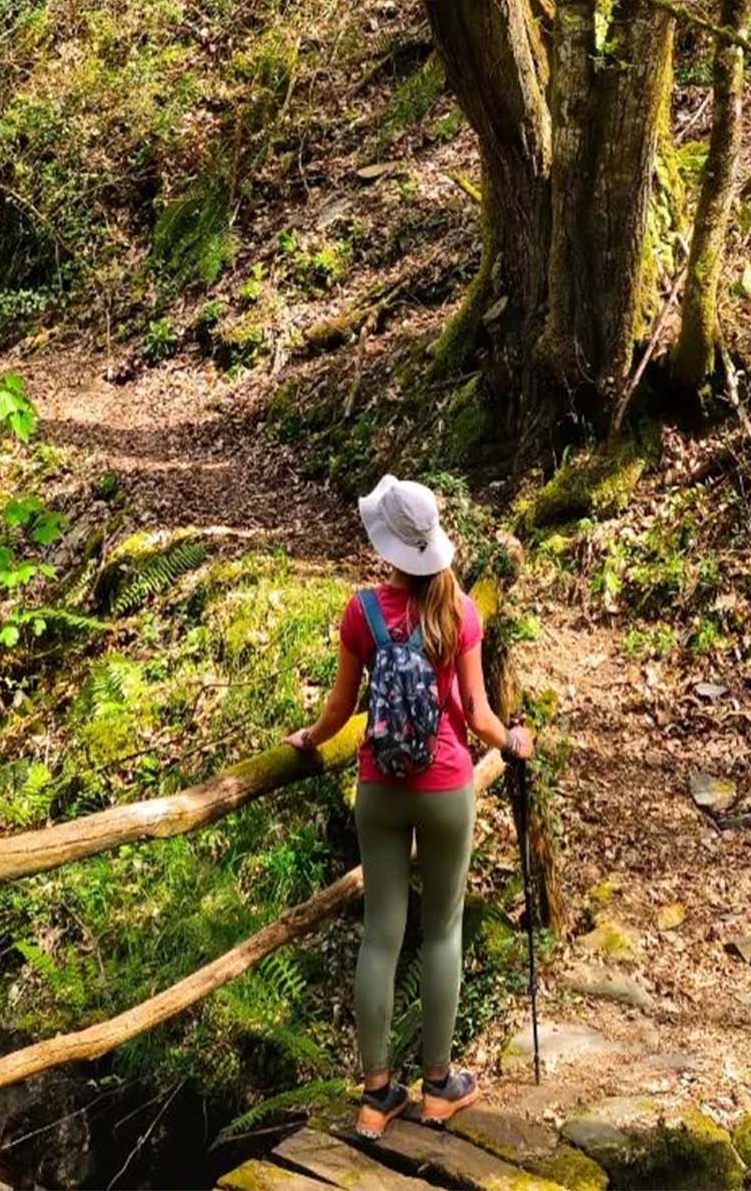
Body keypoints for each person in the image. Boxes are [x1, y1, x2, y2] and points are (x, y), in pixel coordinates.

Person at [286, 475, 534, 1139]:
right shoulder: (461, 614)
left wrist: (307, 741)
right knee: (442, 931)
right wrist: (510, 739)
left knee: (381, 934)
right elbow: (479, 713)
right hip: (447, 785)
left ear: (389, 546)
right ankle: (437, 1085)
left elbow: (340, 710)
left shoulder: (361, 611)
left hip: (380, 789)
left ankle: (375, 1094)